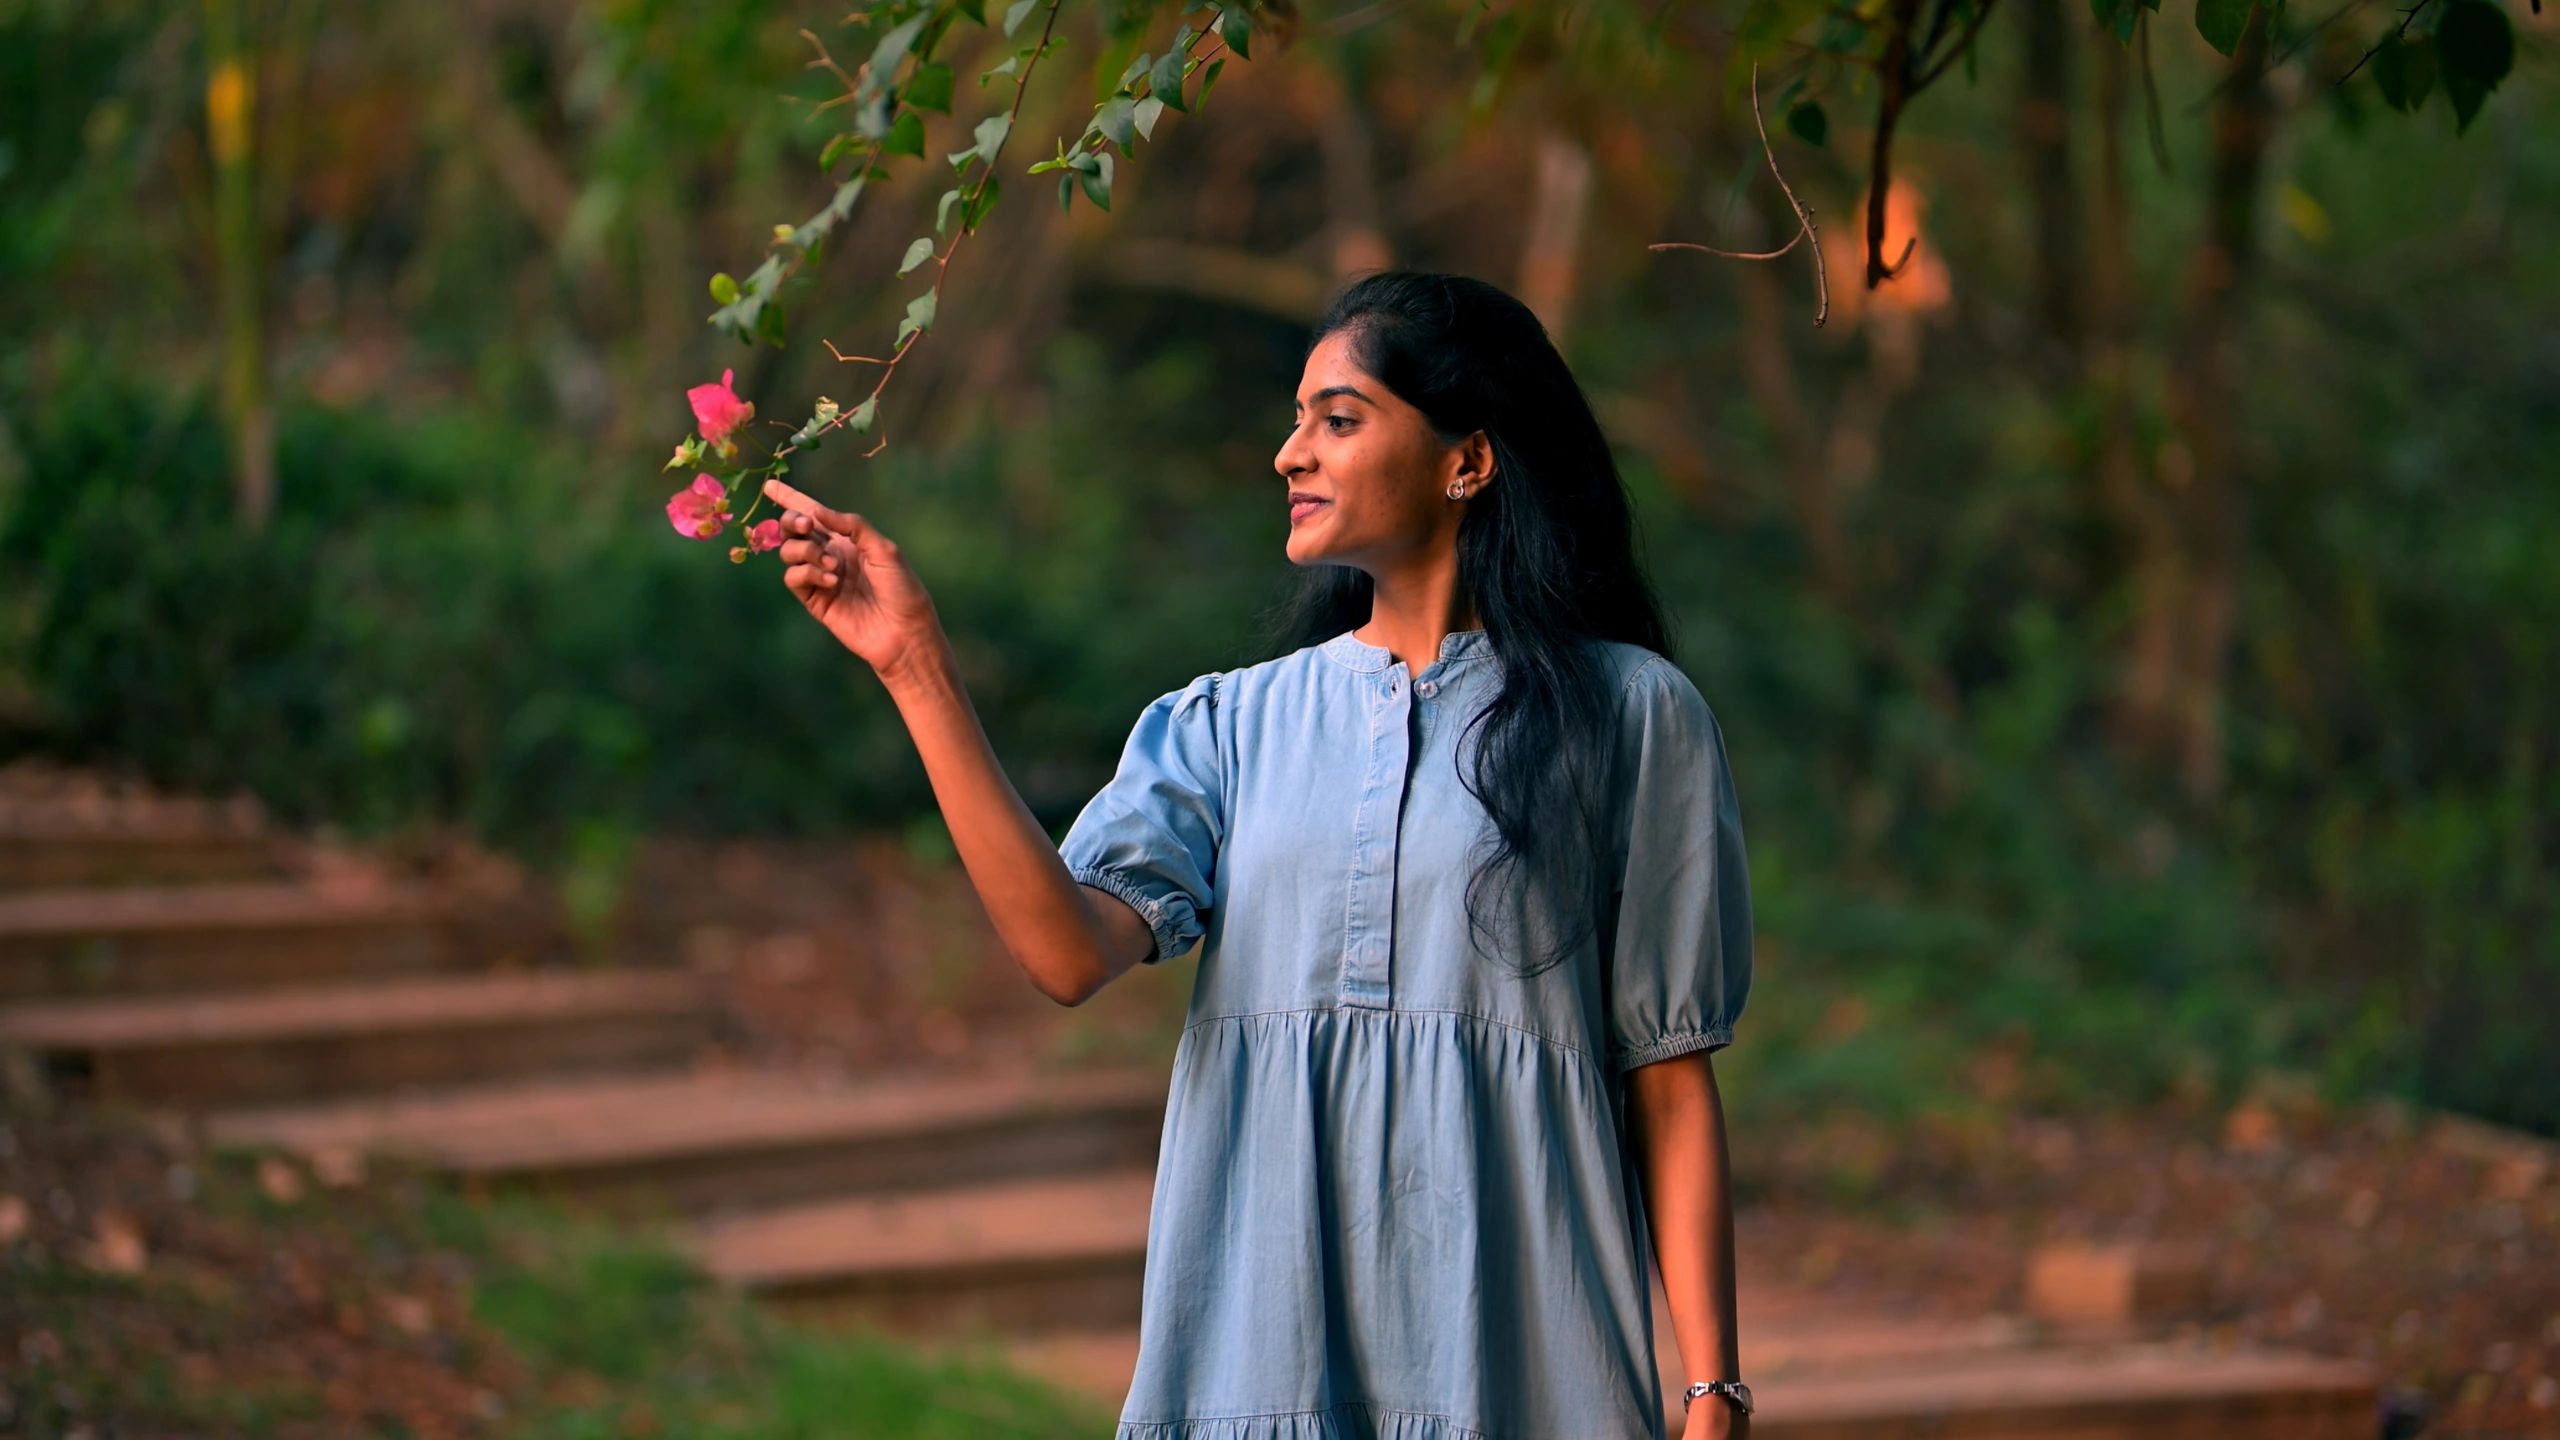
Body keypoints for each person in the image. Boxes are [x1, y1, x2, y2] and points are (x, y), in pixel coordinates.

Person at [762, 269, 1754, 1440]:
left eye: (1338, 419)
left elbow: (1669, 1077)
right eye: (1295, 420)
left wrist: (1711, 1394)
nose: (1290, 454)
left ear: (1467, 460)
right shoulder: (1227, 725)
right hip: (1256, 1362)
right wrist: (915, 667)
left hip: (1525, 1370)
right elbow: (1064, 951)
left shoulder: (1632, 716)